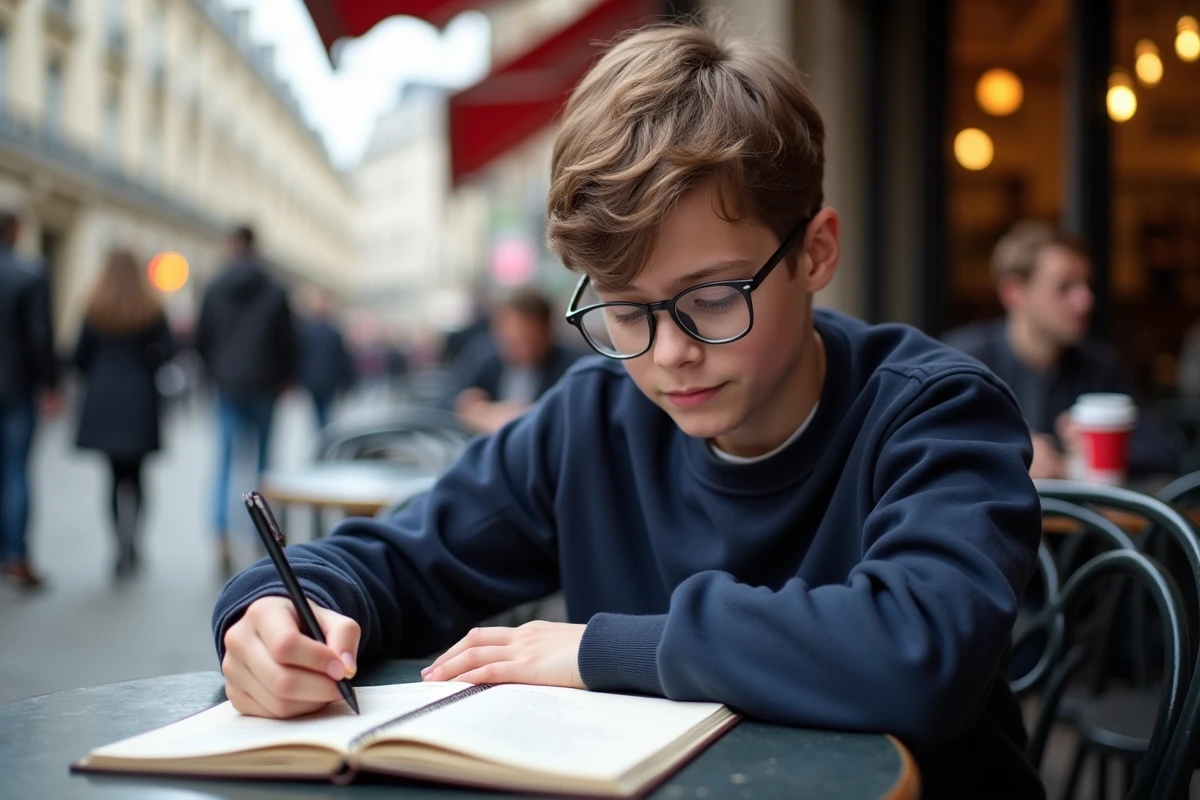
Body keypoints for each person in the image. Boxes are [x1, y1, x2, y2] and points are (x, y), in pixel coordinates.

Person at [212, 21, 1043, 798]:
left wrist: (604, 649)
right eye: (627, 310)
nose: (669, 354)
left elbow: (920, 649)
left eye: (712, 299)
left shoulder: (937, 410)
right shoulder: (593, 419)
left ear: (816, 251)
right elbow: (397, 558)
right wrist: (274, 610)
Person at [943, 220, 1178, 479]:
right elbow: (933, 446)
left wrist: (1098, 454)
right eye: (1064, 287)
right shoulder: (965, 360)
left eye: (1086, 285)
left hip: (1080, 520)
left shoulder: (1098, 365)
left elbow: (1163, 453)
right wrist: (1012, 453)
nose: (1085, 301)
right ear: (1014, 292)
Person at [195, 226, 297, 579]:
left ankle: (221, 534)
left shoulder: (215, 285)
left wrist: (214, 373)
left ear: (231, 245)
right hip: (266, 385)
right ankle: (264, 536)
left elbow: (201, 337)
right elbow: (288, 339)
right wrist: (285, 377)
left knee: (223, 463)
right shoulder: (275, 287)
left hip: (228, 386)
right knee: (265, 464)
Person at [73, 249, 174, 581]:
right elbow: (167, 352)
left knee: (113, 478)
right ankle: (134, 544)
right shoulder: (150, 307)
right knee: (138, 477)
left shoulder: (94, 306)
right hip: (139, 397)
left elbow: (78, 356)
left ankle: (118, 545)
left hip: (104, 397)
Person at [0, 211, 59, 590]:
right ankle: (16, 556)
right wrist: (50, 385)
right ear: (16, 231)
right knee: (16, 470)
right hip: (16, 386)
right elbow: (40, 337)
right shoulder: (31, 274)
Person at [448, 287, 580, 433]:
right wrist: (473, 407)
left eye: (529, 340)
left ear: (547, 331)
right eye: (511, 341)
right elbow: (452, 398)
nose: (522, 349)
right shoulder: (484, 356)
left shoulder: (572, 367)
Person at [296, 289, 355, 431]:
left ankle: (322, 436)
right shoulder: (324, 331)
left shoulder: (307, 330)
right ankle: (323, 435)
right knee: (322, 414)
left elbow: (342, 359)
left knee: (321, 413)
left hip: (321, 380)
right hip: (320, 380)